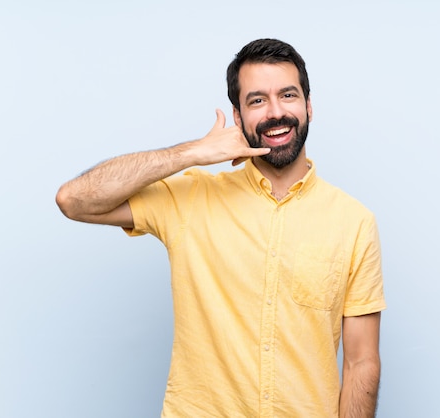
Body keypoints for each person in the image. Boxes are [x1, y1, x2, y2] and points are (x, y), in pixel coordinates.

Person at [56, 38, 386, 418]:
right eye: (257, 100)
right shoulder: (191, 197)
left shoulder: (354, 222)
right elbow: (74, 200)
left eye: (288, 95)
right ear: (238, 116)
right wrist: (192, 152)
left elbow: (361, 362)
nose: (276, 112)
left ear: (309, 106)